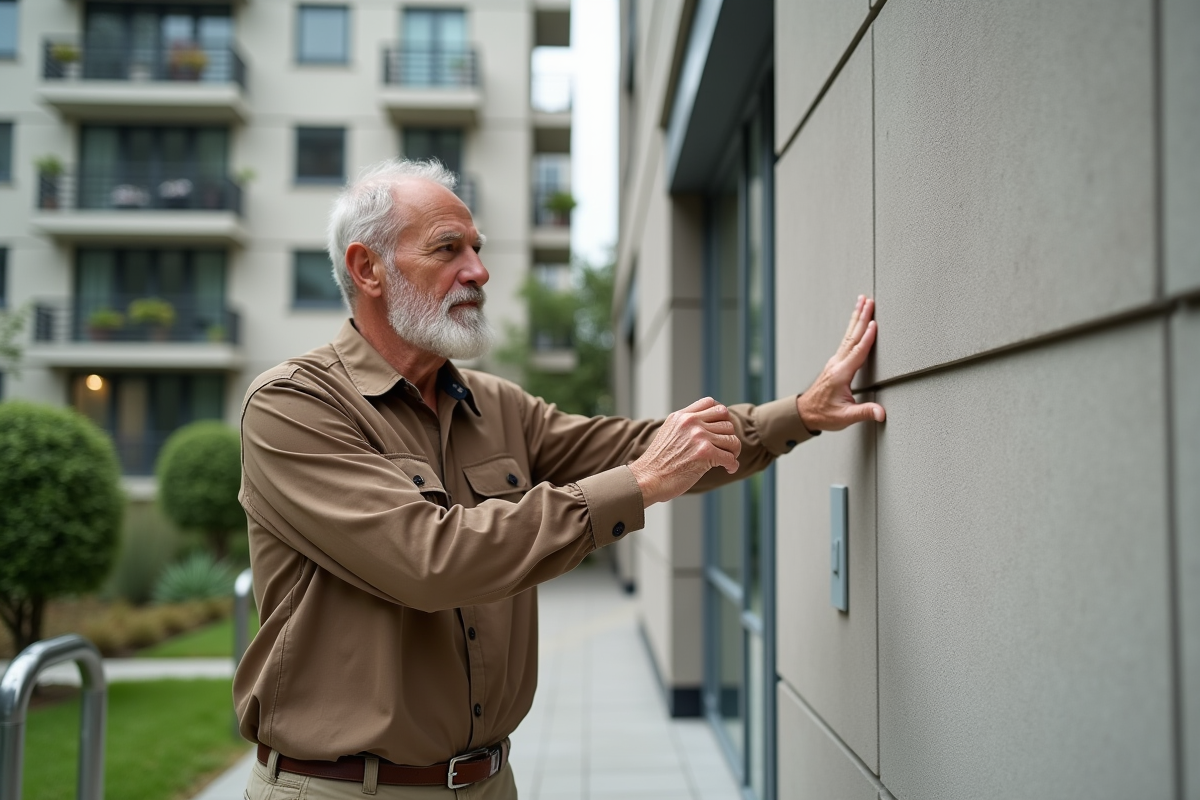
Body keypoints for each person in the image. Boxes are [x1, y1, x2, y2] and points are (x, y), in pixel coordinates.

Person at [235, 159, 885, 800]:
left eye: (478, 249)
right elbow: (429, 559)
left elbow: (649, 446)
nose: (479, 271)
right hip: (340, 791)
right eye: (448, 249)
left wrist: (799, 412)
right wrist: (640, 483)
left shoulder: (498, 406)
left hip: (489, 783)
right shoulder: (292, 407)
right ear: (366, 268)